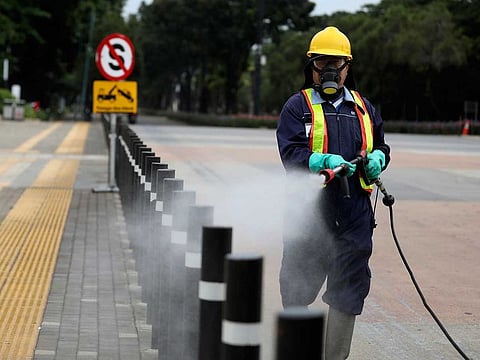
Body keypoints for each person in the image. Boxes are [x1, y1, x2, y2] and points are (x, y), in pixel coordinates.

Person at [276, 26, 391, 359]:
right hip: (312, 214)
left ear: (347, 67)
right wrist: (321, 161)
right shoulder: (297, 107)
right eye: (321, 62)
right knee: (297, 289)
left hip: (355, 214)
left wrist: (379, 160)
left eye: (335, 63)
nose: (328, 70)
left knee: (348, 291)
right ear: (311, 65)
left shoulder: (365, 109)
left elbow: (380, 144)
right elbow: (290, 153)